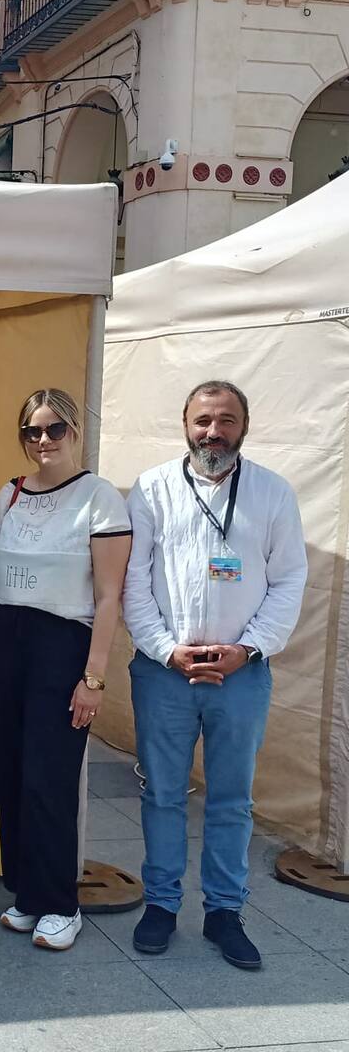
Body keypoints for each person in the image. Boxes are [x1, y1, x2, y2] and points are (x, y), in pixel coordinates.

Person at [123, 381, 306, 970]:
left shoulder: (273, 494)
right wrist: (165, 650)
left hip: (242, 675)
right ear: (184, 424)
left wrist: (247, 650)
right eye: (202, 420)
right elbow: (133, 581)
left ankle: (225, 913)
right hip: (165, 673)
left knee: (231, 801)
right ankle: (161, 905)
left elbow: (288, 582)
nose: (213, 432)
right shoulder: (151, 490)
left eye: (226, 420)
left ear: (244, 427)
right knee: (163, 795)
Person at [0, 388, 131, 951]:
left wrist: (94, 677)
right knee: (9, 773)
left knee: (49, 777)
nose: (42, 441)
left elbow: (109, 597)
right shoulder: (10, 493)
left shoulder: (100, 498)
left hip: (63, 646)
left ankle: (61, 901)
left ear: (75, 432)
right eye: (31, 431)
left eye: (54, 429)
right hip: (7, 641)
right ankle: (29, 894)